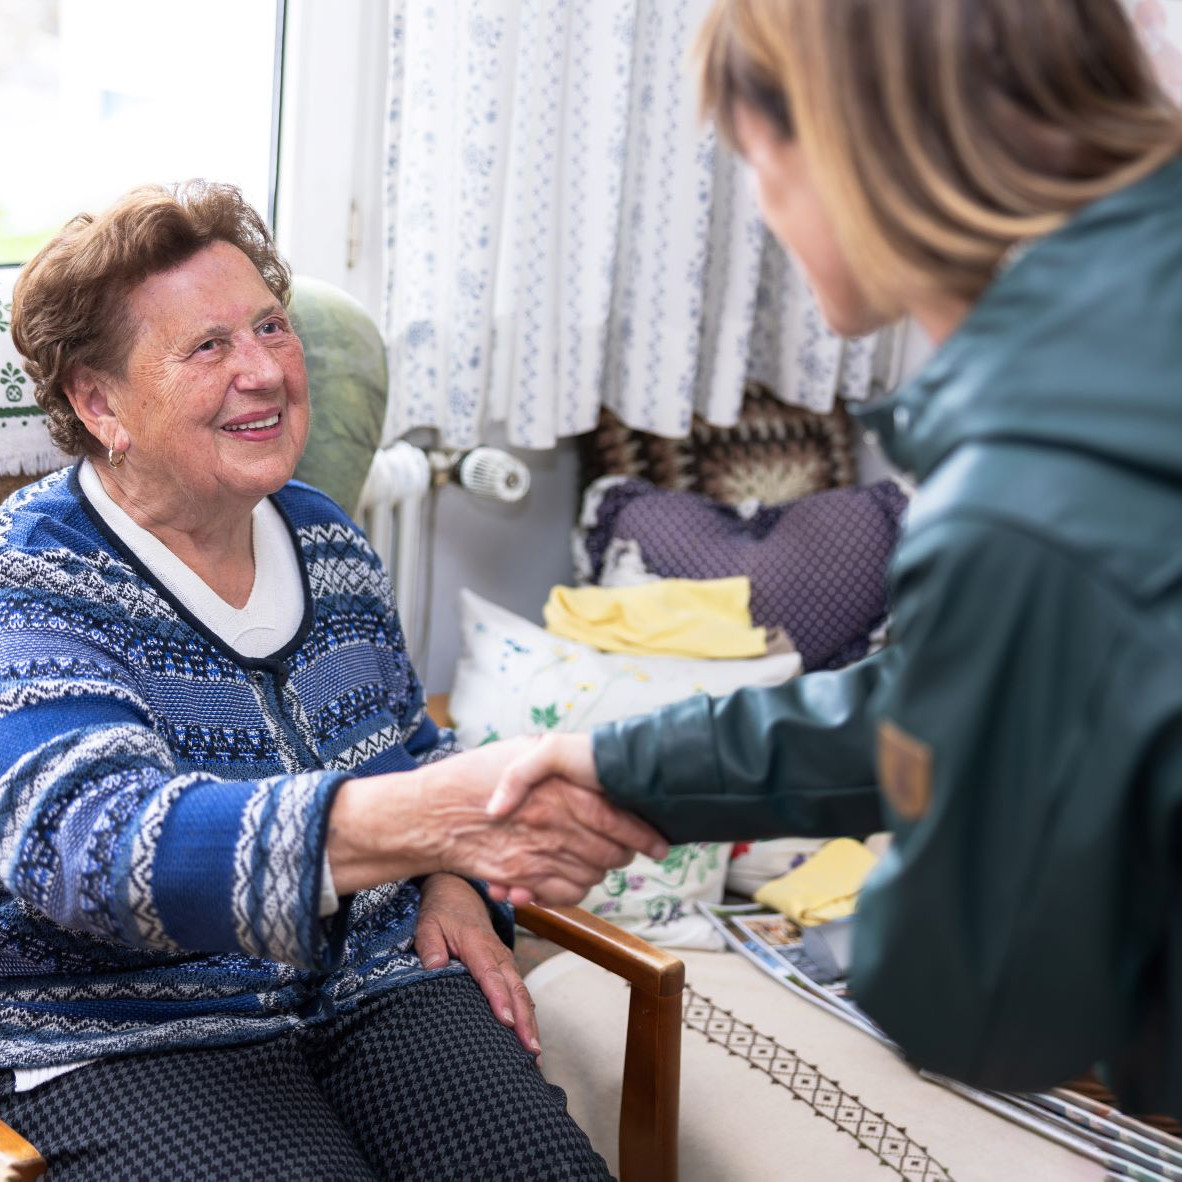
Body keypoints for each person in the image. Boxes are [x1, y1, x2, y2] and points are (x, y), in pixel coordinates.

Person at [487, 0, 1182, 1118]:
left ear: (851, 144)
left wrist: (872, 919)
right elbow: (967, 700)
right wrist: (621, 766)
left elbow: (983, 1005)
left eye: (758, 161)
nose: (764, 210)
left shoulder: (1025, 494)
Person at [1, 181, 667, 1179]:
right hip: (137, 1031)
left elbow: (411, 745)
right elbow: (92, 848)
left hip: (375, 988)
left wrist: (453, 878)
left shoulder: (324, 536)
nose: (266, 370)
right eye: (208, 347)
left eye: (271, 326)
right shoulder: (34, 577)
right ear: (101, 403)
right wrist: (427, 820)